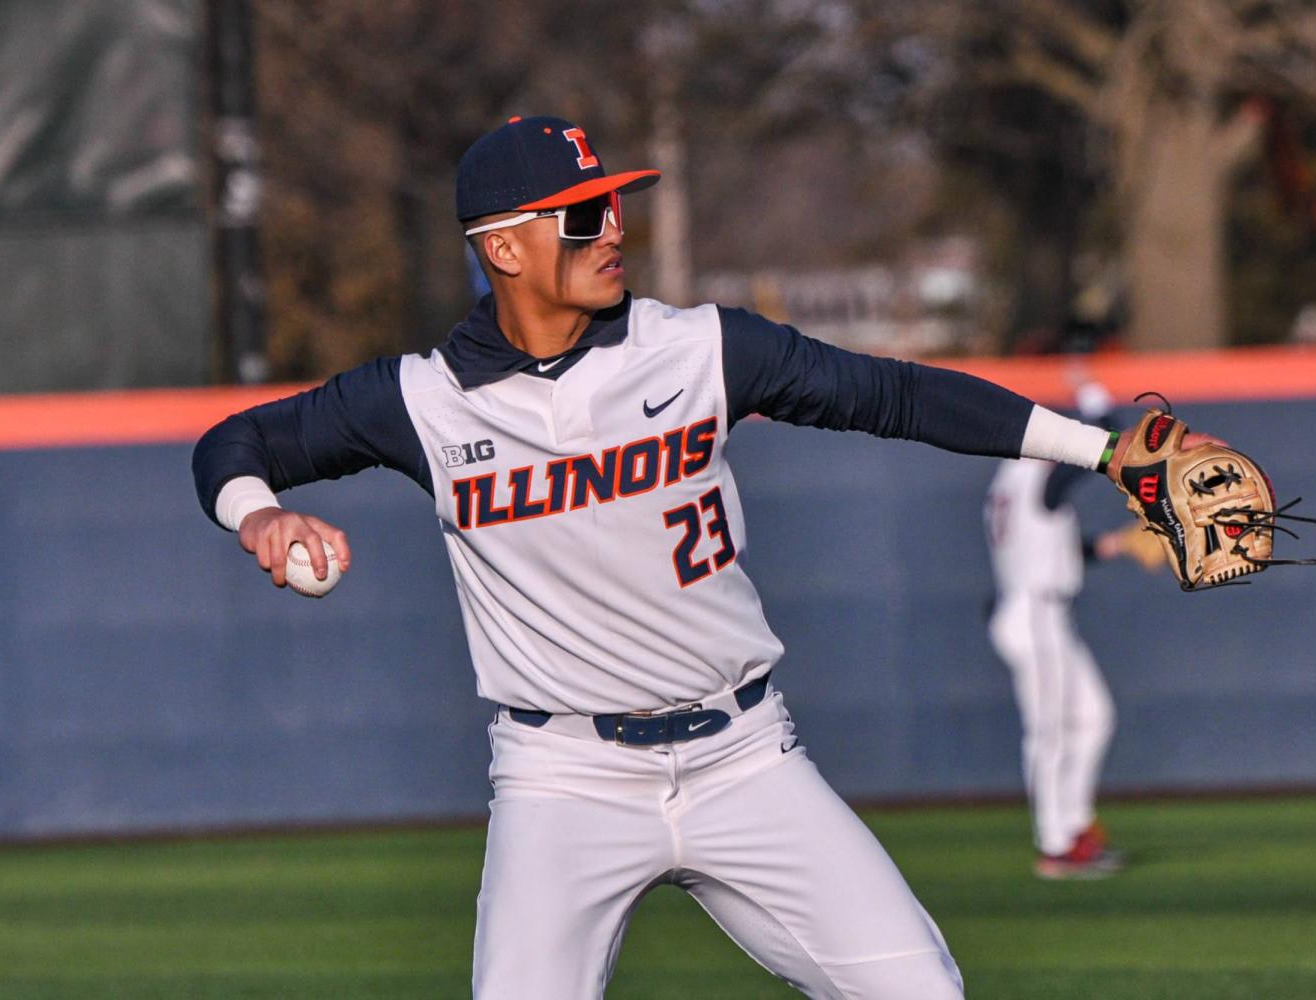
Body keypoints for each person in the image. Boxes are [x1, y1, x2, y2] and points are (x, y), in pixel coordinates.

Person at [192, 115, 1164, 998]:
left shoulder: (700, 349)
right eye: (582, 216)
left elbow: (898, 396)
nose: (612, 230)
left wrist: (1108, 450)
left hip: (744, 755)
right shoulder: (423, 400)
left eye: (614, 206)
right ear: (503, 247)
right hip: (562, 777)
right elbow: (235, 443)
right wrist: (258, 516)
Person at [982, 384, 1162, 880]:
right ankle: (1056, 845)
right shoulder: (1030, 473)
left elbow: (1050, 544)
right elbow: (1086, 457)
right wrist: (1098, 411)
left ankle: (1076, 827)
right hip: (1034, 612)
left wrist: (1114, 545)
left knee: (1094, 716)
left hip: (1042, 610)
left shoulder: (1013, 481)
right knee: (1048, 733)